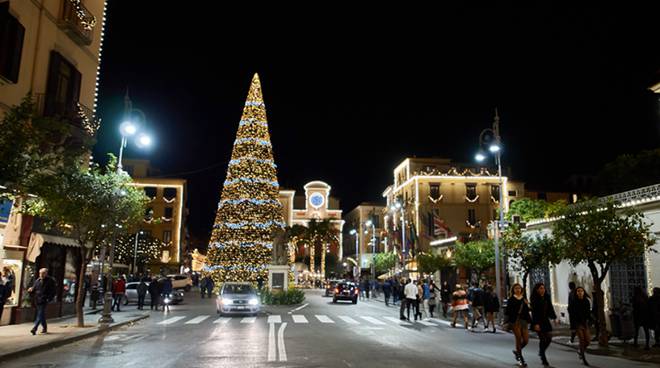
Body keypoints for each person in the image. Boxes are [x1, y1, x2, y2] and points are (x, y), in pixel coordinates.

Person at [531, 282, 557, 367]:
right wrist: (536, 324)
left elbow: (550, 307)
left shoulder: (547, 297)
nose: (542, 290)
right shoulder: (534, 298)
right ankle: (543, 358)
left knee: (549, 338)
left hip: (545, 321)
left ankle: (541, 351)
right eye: (540, 288)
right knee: (542, 339)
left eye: (543, 288)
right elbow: (534, 312)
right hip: (538, 321)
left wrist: (554, 317)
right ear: (537, 290)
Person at [506, 283, 531, 367]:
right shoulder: (511, 299)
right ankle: (521, 359)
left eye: (519, 288)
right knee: (518, 338)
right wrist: (507, 322)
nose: (518, 290)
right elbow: (508, 311)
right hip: (515, 321)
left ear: (521, 289)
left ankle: (517, 352)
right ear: (513, 290)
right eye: (516, 288)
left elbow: (527, 310)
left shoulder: (524, 299)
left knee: (526, 340)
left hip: (524, 321)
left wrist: (528, 305)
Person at [27, 268, 56, 335]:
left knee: (40, 314)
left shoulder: (50, 281)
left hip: (44, 299)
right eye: (40, 273)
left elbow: (53, 291)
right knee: (41, 314)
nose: (41, 275)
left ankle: (35, 328)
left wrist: (49, 298)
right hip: (37, 299)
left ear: (46, 273)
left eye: (43, 273)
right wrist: (30, 290)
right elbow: (34, 289)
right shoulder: (38, 280)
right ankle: (44, 328)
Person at [568, 286, 592, 366]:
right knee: (581, 340)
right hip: (577, 324)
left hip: (585, 323)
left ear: (584, 292)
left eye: (581, 291)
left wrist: (593, 320)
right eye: (578, 291)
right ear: (576, 293)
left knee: (587, 341)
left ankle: (580, 351)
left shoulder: (586, 301)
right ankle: (583, 357)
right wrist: (572, 327)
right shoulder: (573, 302)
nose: (580, 292)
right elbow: (571, 315)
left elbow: (588, 313)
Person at [632, 286, 651, 350]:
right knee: (645, 331)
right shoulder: (645, 297)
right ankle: (647, 344)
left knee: (637, 330)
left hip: (639, 316)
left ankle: (635, 343)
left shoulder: (636, 297)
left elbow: (634, 306)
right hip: (644, 316)